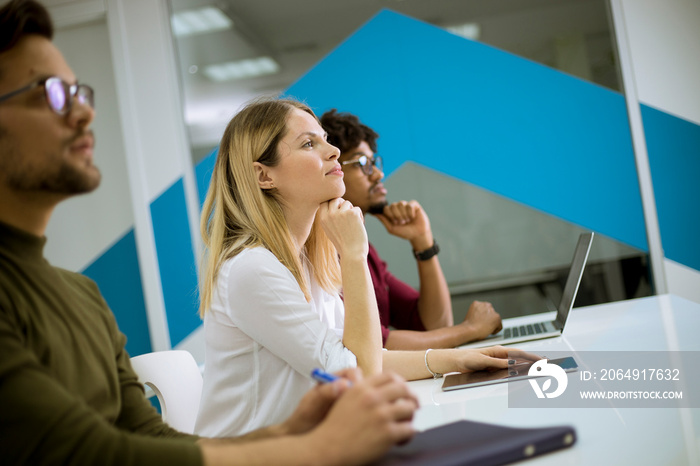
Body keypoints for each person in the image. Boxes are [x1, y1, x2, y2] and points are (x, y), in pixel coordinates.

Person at [0, 1, 420, 465]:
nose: (83, 113)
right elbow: (88, 451)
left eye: (79, 93)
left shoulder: (84, 297)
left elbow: (151, 440)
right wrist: (310, 447)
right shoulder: (252, 268)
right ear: (264, 175)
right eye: (51, 93)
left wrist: (286, 434)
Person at [195, 98, 519, 437]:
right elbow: (360, 374)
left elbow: (362, 359)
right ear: (263, 175)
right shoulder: (253, 269)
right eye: (309, 143)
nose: (332, 151)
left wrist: (460, 360)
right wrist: (353, 251)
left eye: (325, 139)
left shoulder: (307, 260)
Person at [321, 109, 503, 350]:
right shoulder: (324, 253)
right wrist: (470, 330)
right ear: (333, 169)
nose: (378, 174)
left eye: (374, 162)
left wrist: (423, 243)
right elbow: (375, 345)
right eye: (362, 163)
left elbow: (434, 325)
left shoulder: (366, 253)